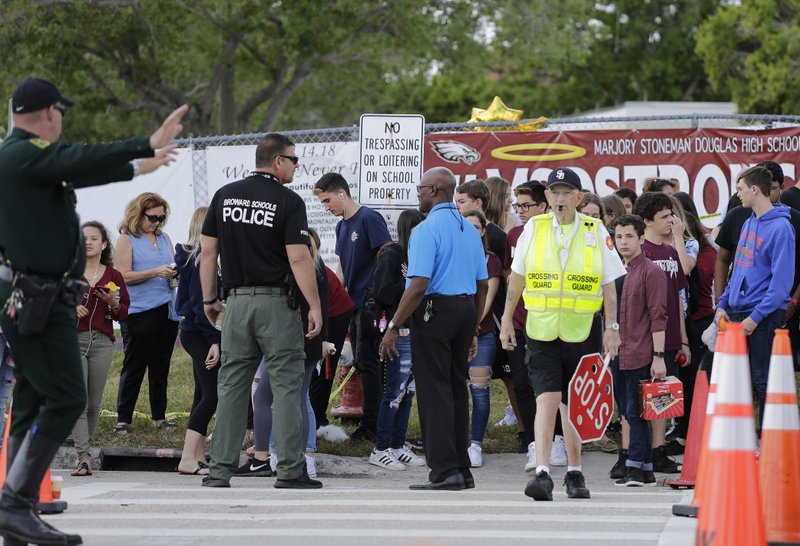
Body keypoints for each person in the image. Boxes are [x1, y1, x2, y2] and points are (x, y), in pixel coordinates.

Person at [0, 76, 185, 545]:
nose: (62, 119)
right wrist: (145, 142)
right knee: (65, 397)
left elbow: (78, 170)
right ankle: (15, 504)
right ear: (47, 113)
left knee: (30, 399)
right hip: (38, 295)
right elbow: (78, 160)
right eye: (59, 111)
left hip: (36, 295)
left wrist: (141, 164)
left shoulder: (28, 160)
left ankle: (17, 503)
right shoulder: (22, 154)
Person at [200, 132, 322, 489]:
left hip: (235, 303)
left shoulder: (223, 196)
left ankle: (219, 470)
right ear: (278, 161)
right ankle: (289, 471)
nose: (297, 167)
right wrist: (313, 305)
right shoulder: (287, 200)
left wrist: (210, 300)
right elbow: (299, 257)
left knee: (233, 386)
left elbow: (208, 254)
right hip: (276, 304)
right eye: (294, 160)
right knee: (285, 386)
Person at [500, 167, 626, 502]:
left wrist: (611, 328)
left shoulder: (595, 230)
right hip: (541, 329)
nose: (559, 198)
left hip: (581, 329)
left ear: (579, 198)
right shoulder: (534, 229)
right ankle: (542, 472)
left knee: (573, 404)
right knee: (547, 399)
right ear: (547, 198)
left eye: (566, 192)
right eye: (554, 192)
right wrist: (506, 320)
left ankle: (574, 471)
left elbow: (609, 285)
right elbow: (516, 278)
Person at [379, 167, 488, 491]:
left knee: (433, 392)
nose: (417, 193)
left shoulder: (425, 231)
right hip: (466, 308)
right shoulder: (470, 230)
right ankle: (461, 469)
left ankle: (443, 472)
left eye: (421, 188)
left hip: (434, 311)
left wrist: (394, 326)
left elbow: (418, 285)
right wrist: (473, 328)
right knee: (456, 388)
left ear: (434, 191)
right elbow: (482, 285)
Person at [242, 227, 328, 479]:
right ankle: (303, 458)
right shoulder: (319, 270)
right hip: (310, 342)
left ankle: (267, 456)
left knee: (265, 398)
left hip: (287, 341)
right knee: (300, 399)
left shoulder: (293, 272)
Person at [313, 172, 392, 442]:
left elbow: (387, 257)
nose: (326, 207)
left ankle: (374, 426)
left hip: (371, 303)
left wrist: (377, 297)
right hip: (353, 305)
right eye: (322, 203)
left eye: (327, 200)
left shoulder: (369, 218)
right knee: (361, 362)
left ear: (342, 193)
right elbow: (343, 267)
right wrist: (335, 294)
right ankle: (370, 422)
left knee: (369, 363)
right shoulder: (341, 227)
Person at [715, 165, 795, 428]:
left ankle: (773, 445)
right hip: (738, 313)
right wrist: (723, 305)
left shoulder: (782, 228)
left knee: (764, 380)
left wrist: (756, 317)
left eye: (740, 189)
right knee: (740, 383)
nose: (737, 195)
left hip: (764, 316)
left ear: (754, 189)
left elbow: (781, 285)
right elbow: (736, 270)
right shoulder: (749, 222)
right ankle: (749, 445)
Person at [506, 182, 567, 472]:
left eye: (526, 206)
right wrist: (506, 318)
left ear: (543, 205)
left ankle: (557, 440)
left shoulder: (560, 232)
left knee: (554, 387)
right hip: (521, 321)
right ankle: (533, 443)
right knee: (523, 384)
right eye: (517, 206)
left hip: (554, 321)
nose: (521, 212)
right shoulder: (515, 235)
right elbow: (513, 276)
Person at [632, 191, 690, 473]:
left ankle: (659, 450)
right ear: (647, 221)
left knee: (664, 394)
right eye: (664, 216)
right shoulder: (640, 252)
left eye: (671, 215)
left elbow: (676, 297)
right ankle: (640, 452)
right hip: (644, 336)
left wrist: (684, 340)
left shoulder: (670, 252)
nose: (671, 220)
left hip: (669, 335)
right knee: (640, 394)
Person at [114, 192, 180, 434]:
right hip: (139, 311)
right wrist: (155, 272)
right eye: (152, 217)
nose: (157, 223)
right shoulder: (126, 239)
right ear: (138, 214)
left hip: (166, 309)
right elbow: (123, 276)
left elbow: (172, 265)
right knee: (134, 366)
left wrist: (175, 272)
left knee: (161, 366)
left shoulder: (164, 238)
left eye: (161, 218)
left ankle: (159, 417)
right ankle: (123, 419)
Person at [367, 210, 427, 471]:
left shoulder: (420, 256)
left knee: (408, 392)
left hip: (416, 333)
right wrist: (410, 288)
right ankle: (380, 448)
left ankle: (397, 445)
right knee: (394, 391)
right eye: (418, 228)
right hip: (397, 331)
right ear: (407, 229)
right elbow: (381, 291)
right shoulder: (392, 254)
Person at [611, 214, 667, 487]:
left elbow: (659, 316)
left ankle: (634, 467)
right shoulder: (614, 272)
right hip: (617, 353)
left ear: (641, 239)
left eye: (629, 236)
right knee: (626, 411)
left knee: (636, 412)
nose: (623, 241)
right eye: (619, 236)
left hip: (641, 353)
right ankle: (645, 469)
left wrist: (659, 357)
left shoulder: (651, 271)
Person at [71, 221, 130, 477]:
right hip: (73, 339)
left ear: (104, 243)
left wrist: (113, 303)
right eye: (84, 238)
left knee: (94, 402)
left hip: (103, 341)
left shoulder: (113, 275)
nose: (89, 242)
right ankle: (83, 457)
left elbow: (124, 313)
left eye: (94, 238)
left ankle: (86, 448)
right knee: (78, 400)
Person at [175, 207, 220, 476]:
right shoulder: (199, 260)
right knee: (212, 396)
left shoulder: (198, 258)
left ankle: (198, 455)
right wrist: (215, 339)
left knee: (202, 393)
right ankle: (187, 458)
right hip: (199, 332)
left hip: (196, 331)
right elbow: (199, 305)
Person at [462, 210, 502, 468]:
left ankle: (475, 444)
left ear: (483, 231)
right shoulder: (453, 255)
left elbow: (486, 300)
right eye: (466, 227)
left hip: (482, 334)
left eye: (476, 227)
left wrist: (472, 328)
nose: (471, 232)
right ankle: (456, 441)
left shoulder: (491, 260)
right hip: (453, 334)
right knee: (454, 390)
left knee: (478, 390)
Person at [308, 229, 354, 433]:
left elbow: (323, 306)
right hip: (327, 313)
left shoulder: (316, 269)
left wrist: (323, 339)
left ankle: (317, 419)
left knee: (323, 367)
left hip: (336, 315)